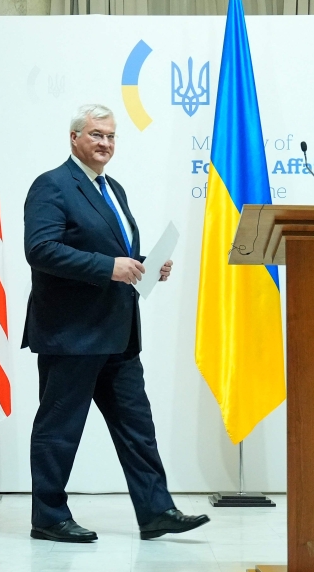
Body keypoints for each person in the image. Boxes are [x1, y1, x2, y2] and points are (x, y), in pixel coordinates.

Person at [23, 103, 209, 543]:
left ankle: (157, 511)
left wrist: (145, 265)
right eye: (96, 135)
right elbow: (41, 249)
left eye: (110, 136)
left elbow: (111, 250)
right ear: (75, 138)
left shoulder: (114, 188)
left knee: (137, 427)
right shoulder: (52, 185)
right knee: (59, 429)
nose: (105, 143)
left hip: (118, 333)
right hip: (71, 334)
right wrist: (110, 266)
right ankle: (48, 516)